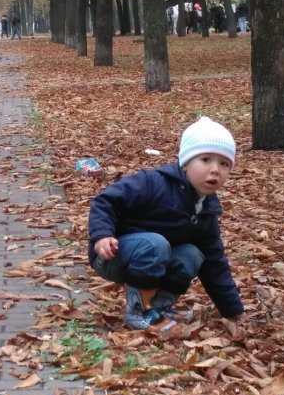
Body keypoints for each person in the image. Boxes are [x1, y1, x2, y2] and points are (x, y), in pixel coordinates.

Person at [88, 116, 243, 330]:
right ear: (186, 162)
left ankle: (160, 307)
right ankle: (138, 311)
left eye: (224, 164)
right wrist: (102, 235)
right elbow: (106, 200)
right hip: (112, 254)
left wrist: (233, 311)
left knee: (193, 254)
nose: (215, 169)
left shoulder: (206, 209)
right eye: (205, 160)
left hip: (152, 259)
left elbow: (214, 262)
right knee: (155, 244)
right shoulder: (153, 183)